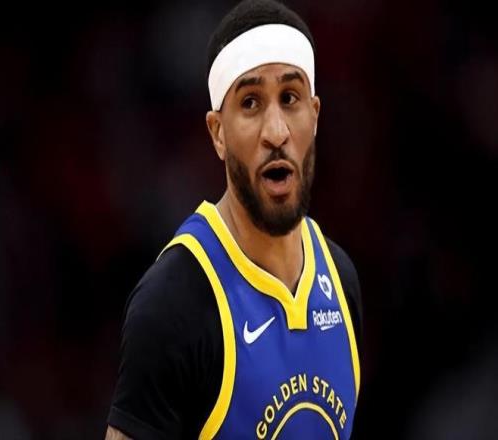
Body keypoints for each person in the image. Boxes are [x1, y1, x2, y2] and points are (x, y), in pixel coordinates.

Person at [106, 0, 362, 438]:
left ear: (315, 115)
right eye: (250, 103)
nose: (276, 132)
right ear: (218, 132)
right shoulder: (174, 302)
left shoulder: (340, 279)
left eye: (290, 98)